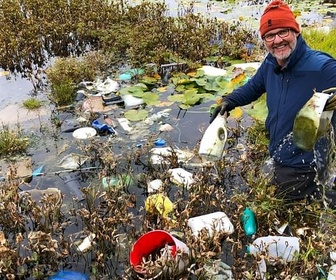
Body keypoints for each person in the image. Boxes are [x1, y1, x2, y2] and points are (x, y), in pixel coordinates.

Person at [210, 0, 336, 206]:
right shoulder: (271, 63)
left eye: (283, 32)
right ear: (264, 39)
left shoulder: (322, 67)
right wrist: (229, 101)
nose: (277, 40)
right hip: (279, 154)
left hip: (304, 165)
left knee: (275, 204)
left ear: (295, 31)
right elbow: (253, 87)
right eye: (270, 35)